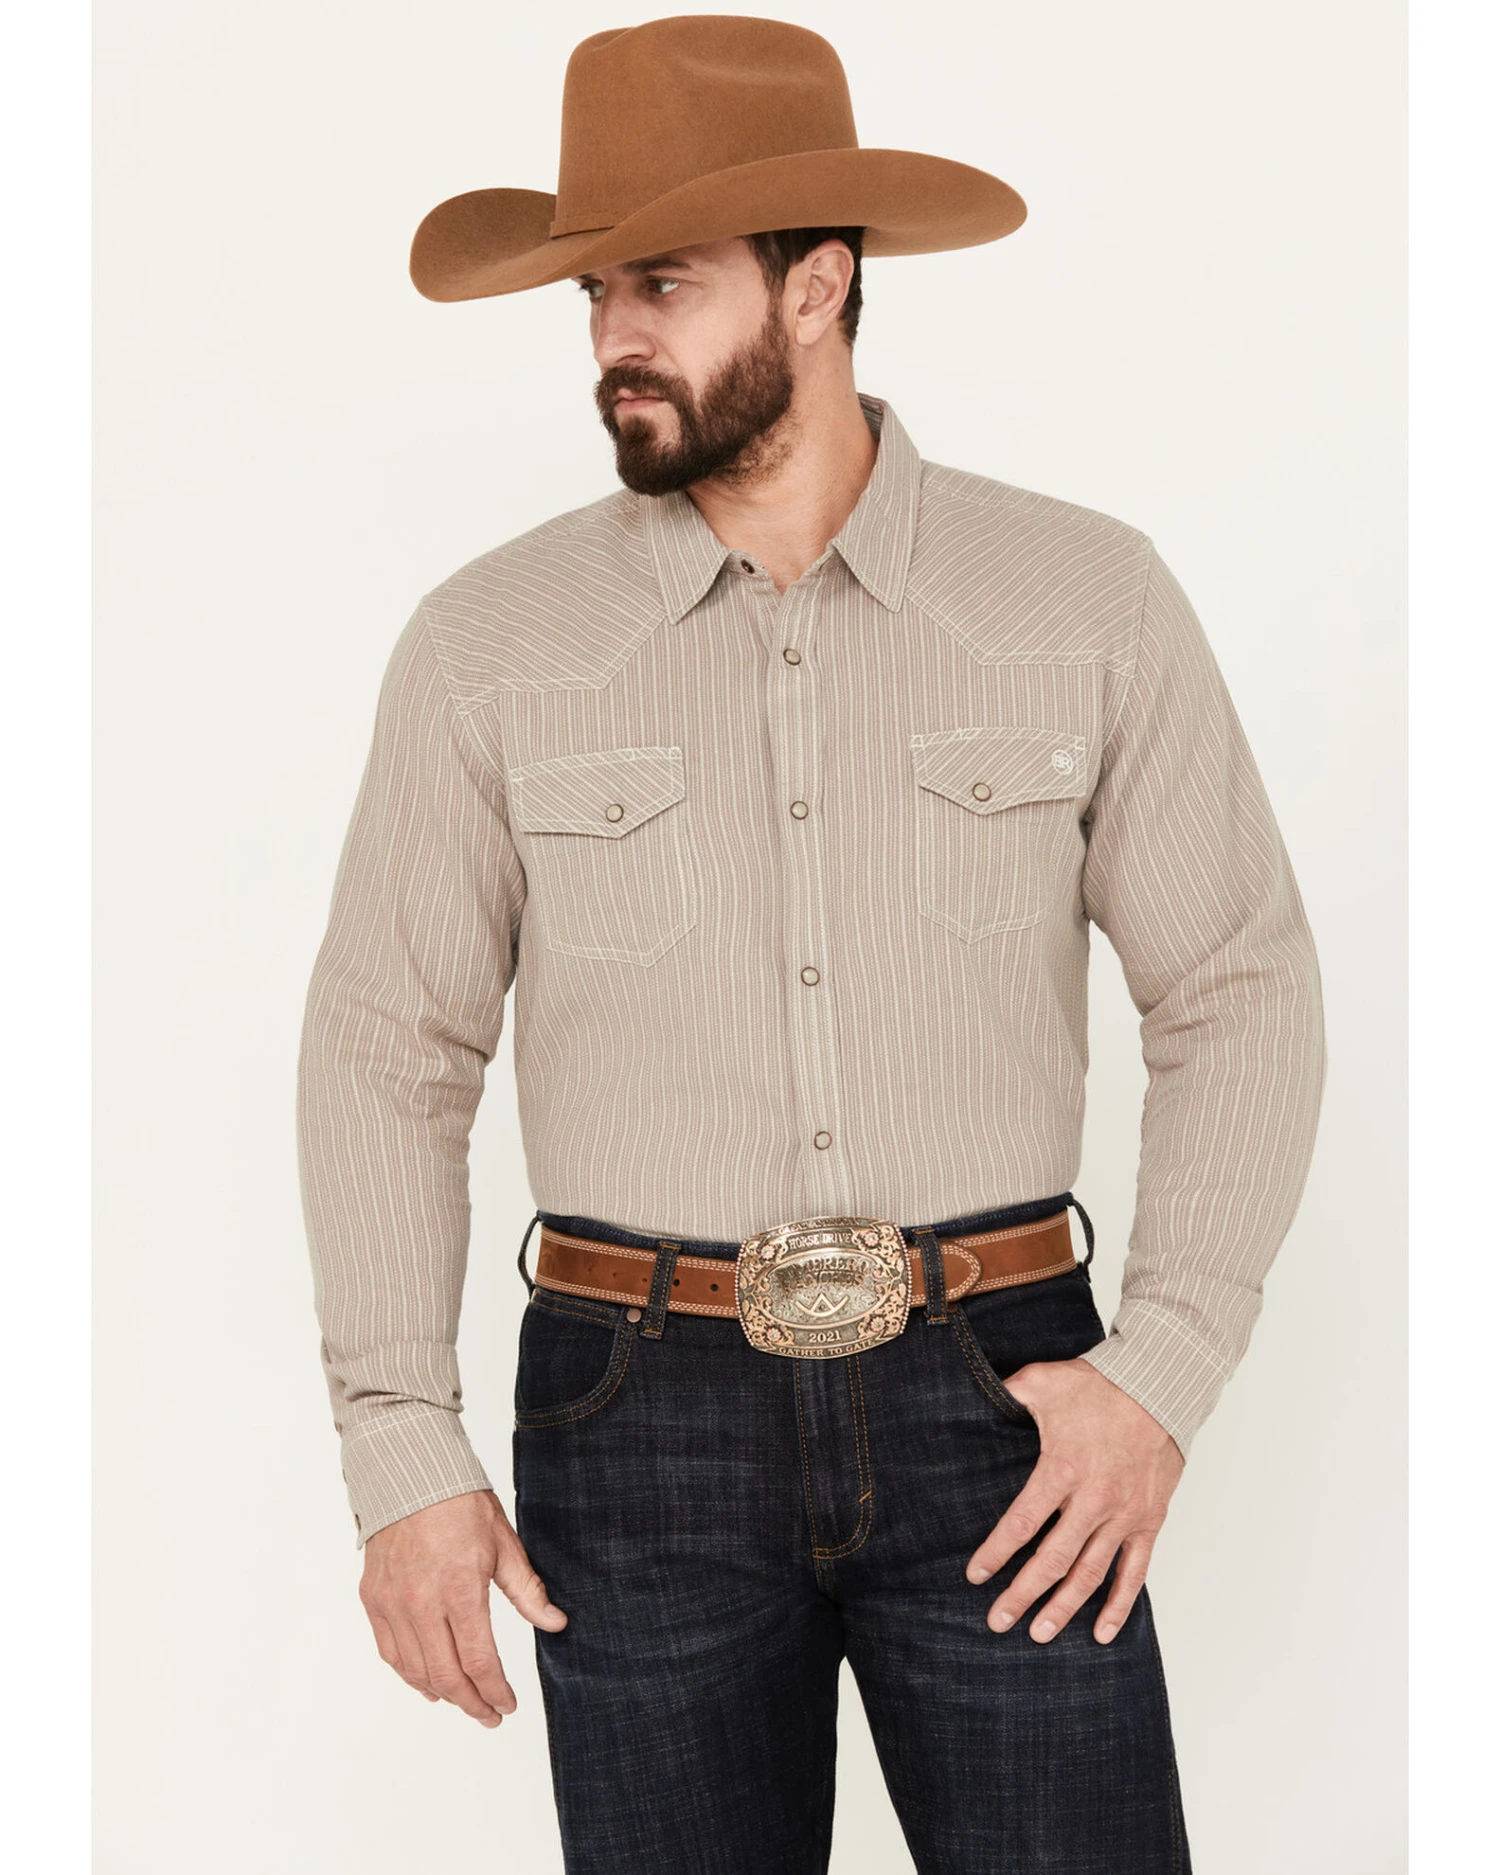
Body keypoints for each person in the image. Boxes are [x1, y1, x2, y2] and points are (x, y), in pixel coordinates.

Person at [296, 16, 1326, 1874]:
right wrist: (399, 1447)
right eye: (597, 291)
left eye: (664, 285)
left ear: (821, 285)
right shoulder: (486, 646)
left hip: (1000, 1399)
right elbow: (388, 1045)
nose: (614, 338)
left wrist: (1161, 1373)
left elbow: (1238, 985)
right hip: (636, 1413)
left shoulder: (1086, 600)